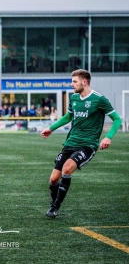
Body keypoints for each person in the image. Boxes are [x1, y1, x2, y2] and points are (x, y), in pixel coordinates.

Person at [41, 69, 122, 218]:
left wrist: (108, 137)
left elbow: (117, 119)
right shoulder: (74, 98)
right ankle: (55, 202)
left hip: (87, 145)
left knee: (66, 169)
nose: (72, 84)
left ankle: (55, 207)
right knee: (53, 179)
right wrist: (51, 128)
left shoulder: (99, 99)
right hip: (70, 142)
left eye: (74, 81)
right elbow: (68, 116)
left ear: (84, 82)